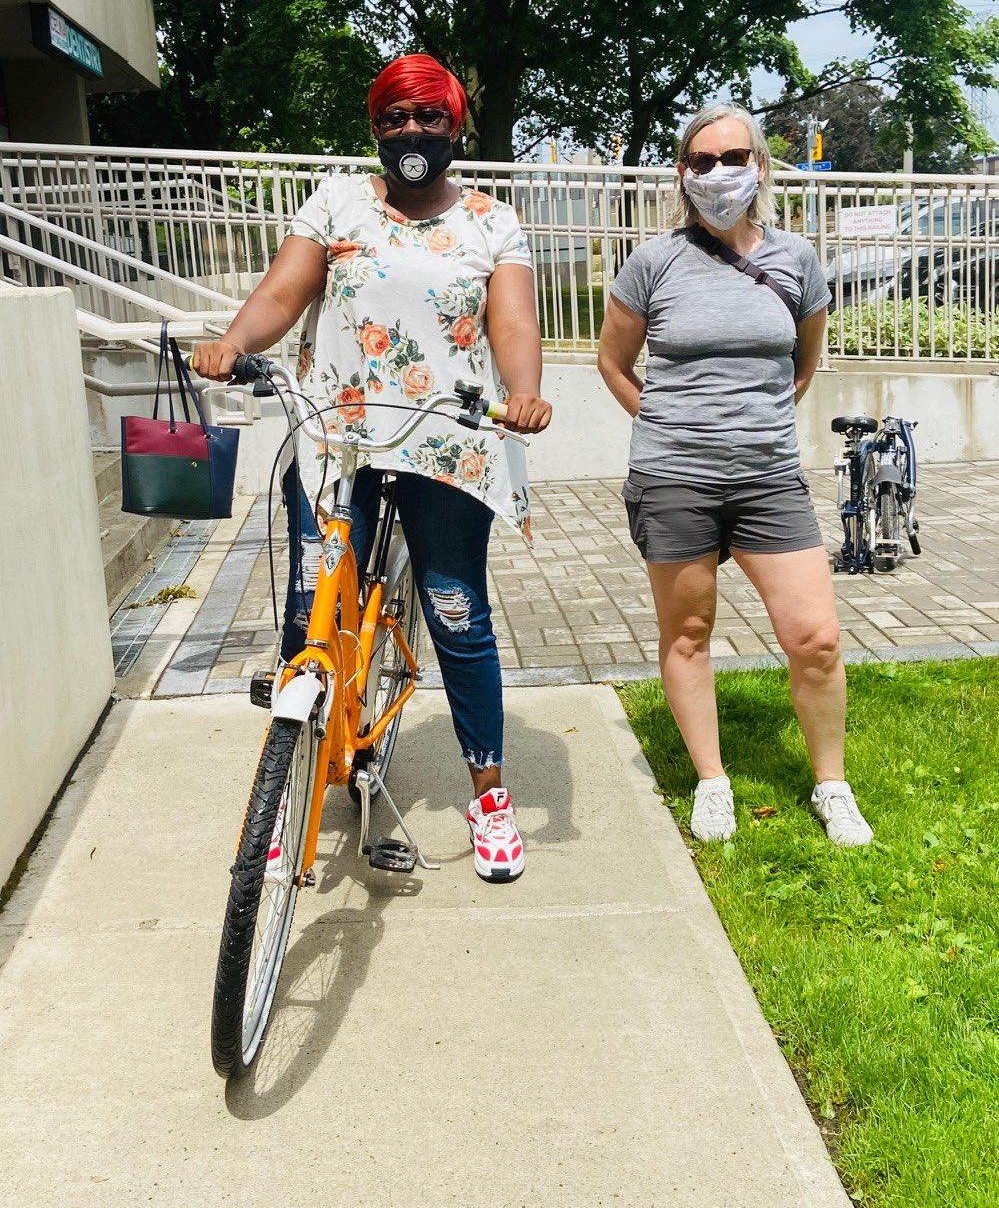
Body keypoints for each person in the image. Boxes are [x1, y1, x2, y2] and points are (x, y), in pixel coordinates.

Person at [193, 54, 551, 882]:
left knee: (456, 614)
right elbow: (284, 293)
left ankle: (489, 798)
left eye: (429, 117)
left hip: (446, 437)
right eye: (395, 118)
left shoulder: (492, 222)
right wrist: (235, 343)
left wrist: (524, 391)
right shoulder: (337, 203)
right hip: (335, 436)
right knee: (306, 615)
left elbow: (512, 322)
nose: (413, 133)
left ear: (455, 124)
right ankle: (291, 788)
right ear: (375, 128)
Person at [597, 101, 872, 847]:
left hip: (767, 478)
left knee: (814, 636)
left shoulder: (795, 258)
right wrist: (660, 423)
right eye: (702, 160)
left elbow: (801, 361)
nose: (719, 172)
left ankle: (830, 782)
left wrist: (759, 424)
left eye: (734, 156)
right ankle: (711, 780)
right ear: (682, 173)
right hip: (673, 476)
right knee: (687, 632)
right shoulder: (653, 262)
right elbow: (612, 363)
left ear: (759, 165)